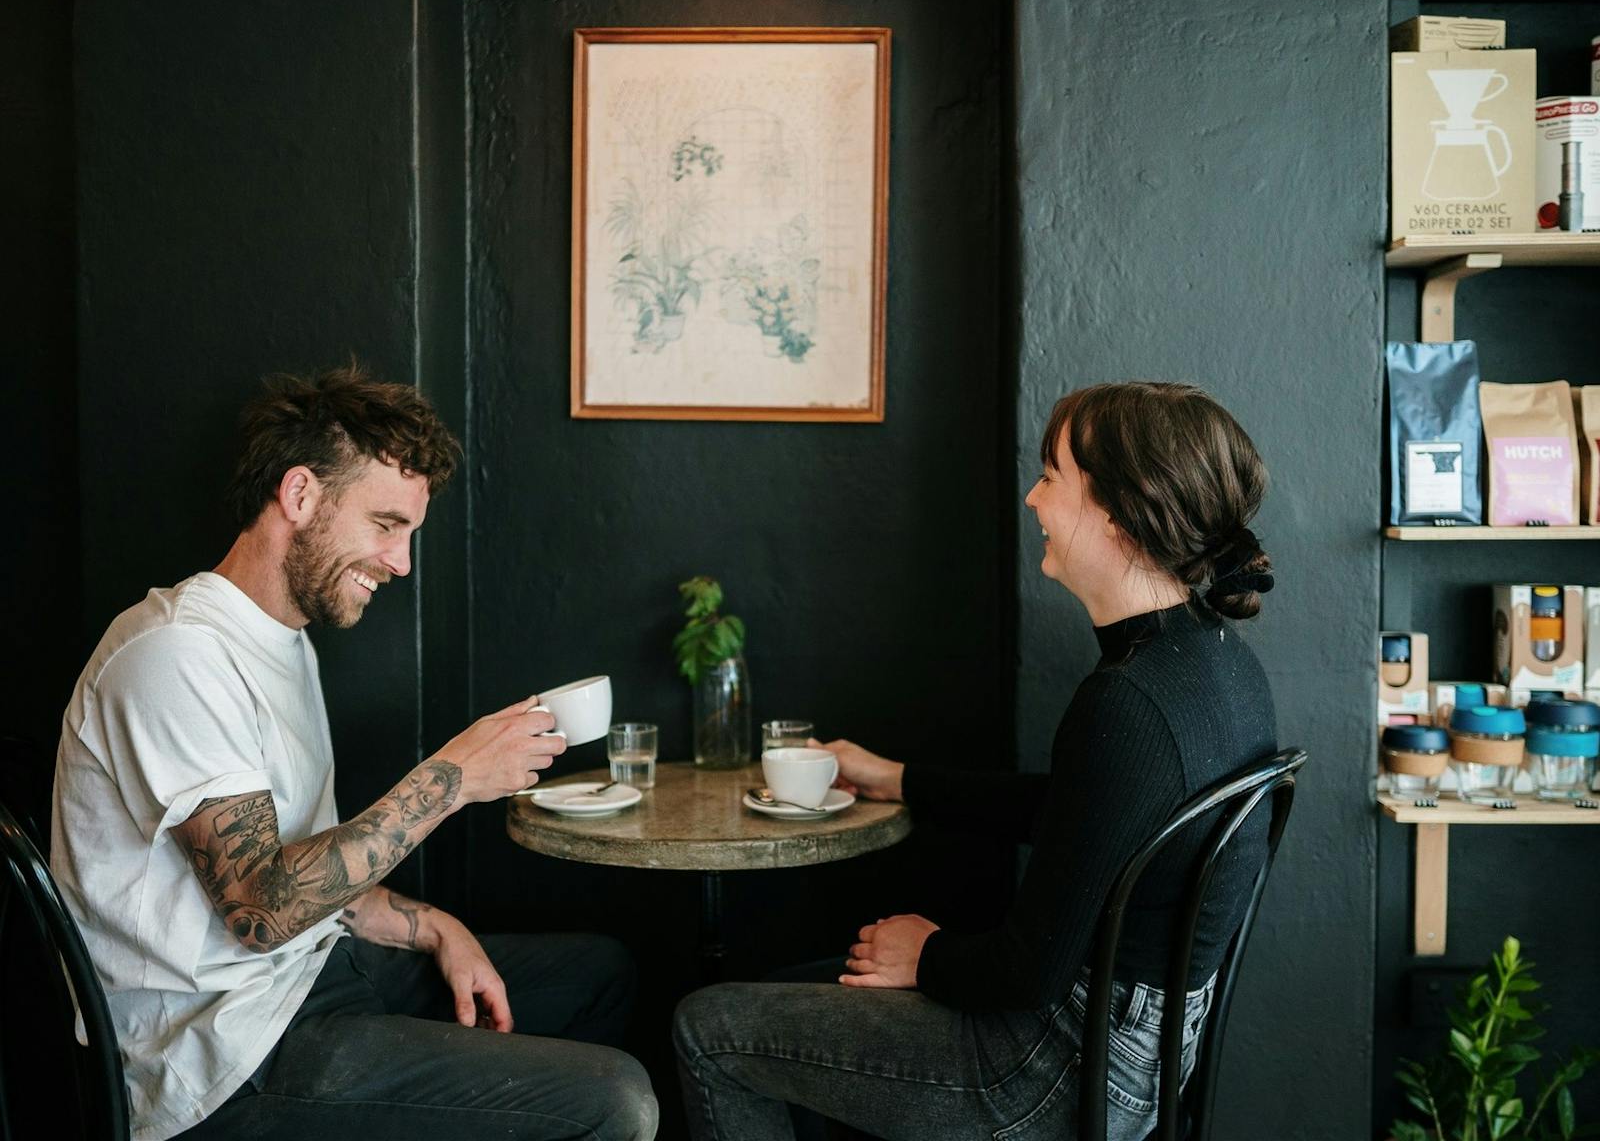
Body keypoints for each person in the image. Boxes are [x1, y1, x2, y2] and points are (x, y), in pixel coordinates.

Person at [51, 365, 658, 1141]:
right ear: (300, 495)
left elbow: (309, 873)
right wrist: (452, 780)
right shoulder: (177, 655)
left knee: (602, 974)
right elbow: (261, 909)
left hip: (310, 975)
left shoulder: (284, 642)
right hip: (219, 1058)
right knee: (616, 1099)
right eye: (385, 525)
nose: (401, 563)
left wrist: (434, 927)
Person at [674, 381, 1279, 1141]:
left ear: (1121, 512)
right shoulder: (1217, 661)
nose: (1033, 499)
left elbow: (1028, 973)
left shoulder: (1128, 701)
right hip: (1144, 1060)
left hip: (1063, 1071)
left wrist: (925, 954)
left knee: (711, 1027)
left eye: (1052, 476)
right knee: (793, 993)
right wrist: (898, 780)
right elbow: (1082, 813)